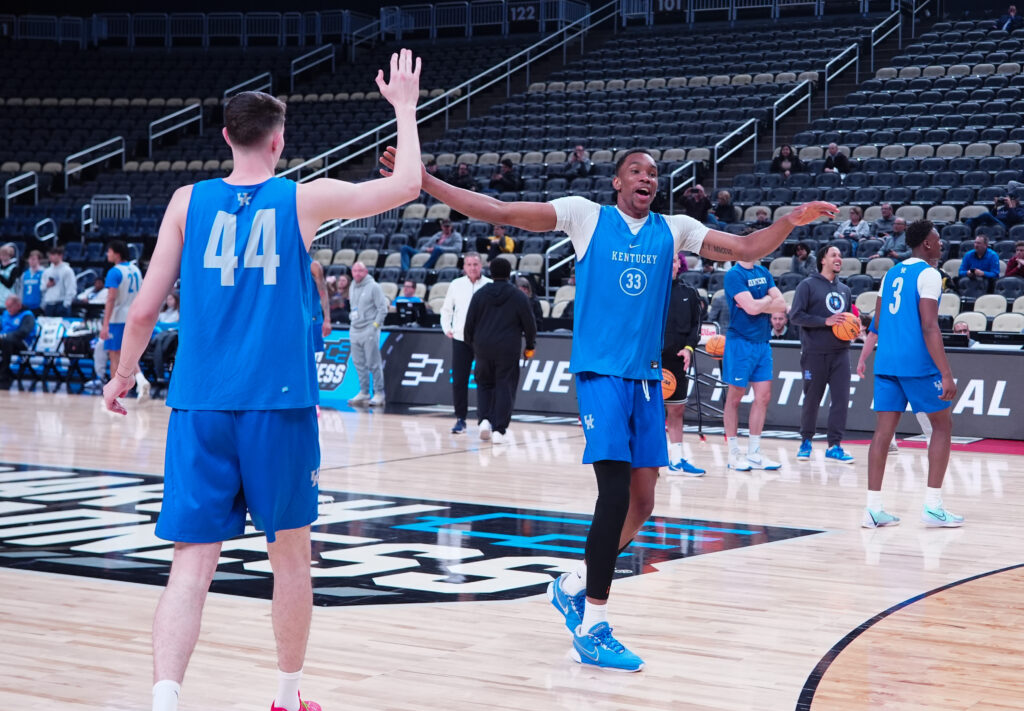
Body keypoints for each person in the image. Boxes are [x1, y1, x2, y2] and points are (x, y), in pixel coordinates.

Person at [101, 51, 423, 711]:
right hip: (275, 406)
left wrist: (121, 375)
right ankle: (285, 705)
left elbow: (145, 307)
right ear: (277, 141)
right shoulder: (299, 199)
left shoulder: (186, 201)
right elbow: (405, 186)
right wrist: (404, 107)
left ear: (224, 136)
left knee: (191, 565)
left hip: (200, 405)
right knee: (291, 557)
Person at [379, 142, 836, 669]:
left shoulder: (676, 228)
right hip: (600, 376)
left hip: (645, 381)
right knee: (614, 495)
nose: (647, 178)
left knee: (643, 504)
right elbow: (501, 211)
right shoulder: (585, 217)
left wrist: (790, 221)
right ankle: (593, 625)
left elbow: (747, 246)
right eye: (636, 171)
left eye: (653, 173)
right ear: (617, 183)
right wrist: (427, 182)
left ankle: (572, 584)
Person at [854, 220, 963, 529]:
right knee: (942, 427)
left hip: (887, 362)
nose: (942, 244)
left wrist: (870, 356)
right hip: (916, 362)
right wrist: (946, 372)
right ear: (926, 244)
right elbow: (930, 325)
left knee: (883, 434)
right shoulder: (929, 274)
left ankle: (873, 509)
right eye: (938, 239)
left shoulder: (890, 273)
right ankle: (933, 507)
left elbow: (876, 322)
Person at [788, 244, 856, 463]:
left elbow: (846, 319)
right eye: (834, 254)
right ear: (822, 260)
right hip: (814, 353)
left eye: (840, 255)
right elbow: (796, 316)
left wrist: (854, 328)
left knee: (841, 400)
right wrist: (824, 322)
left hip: (841, 353)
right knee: (812, 399)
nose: (839, 258)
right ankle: (806, 441)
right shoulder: (806, 285)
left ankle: (835, 445)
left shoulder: (845, 289)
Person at [722, 257, 787, 472]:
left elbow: (782, 305)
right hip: (740, 342)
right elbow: (750, 309)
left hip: (762, 342)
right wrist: (766, 301)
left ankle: (754, 453)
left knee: (764, 396)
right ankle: (733, 454)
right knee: (734, 397)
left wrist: (759, 304)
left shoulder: (763, 272)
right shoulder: (734, 275)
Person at [463, 256, 536, 443]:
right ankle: (499, 430)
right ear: (509, 273)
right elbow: (530, 324)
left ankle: (485, 420)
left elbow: (469, 323)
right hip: (508, 348)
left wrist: (472, 344)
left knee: (484, 384)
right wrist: (529, 346)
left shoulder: (480, 294)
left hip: (483, 346)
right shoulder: (518, 296)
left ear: (490, 272)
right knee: (505, 386)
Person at [662, 252, 705, 476]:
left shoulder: (689, 292)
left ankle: (677, 459)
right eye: (667, 260)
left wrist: (689, 349)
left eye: (674, 260)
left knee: (677, 410)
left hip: (678, 359)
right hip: (651, 360)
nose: (671, 264)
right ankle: (652, 459)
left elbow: (695, 327)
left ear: (680, 264)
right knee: (650, 413)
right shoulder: (648, 290)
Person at [439, 252, 491, 433]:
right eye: (469, 264)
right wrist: (447, 328)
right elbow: (446, 310)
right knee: (459, 380)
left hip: (483, 340)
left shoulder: (489, 285)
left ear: (481, 266)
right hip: (460, 339)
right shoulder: (456, 284)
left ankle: (485, 418)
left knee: (484, 379)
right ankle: (460, 418)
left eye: (475, 264)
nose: (472, 268)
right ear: (464, 267)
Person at [100, 240, 152, 401]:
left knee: (115, 356)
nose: (107, 254)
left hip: (118, 318)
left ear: (116, 253)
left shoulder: (114, 272)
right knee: (128, 355)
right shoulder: (136, 269)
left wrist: (105, 324)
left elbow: (111, 299)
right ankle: (140, 380)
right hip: (134, 316)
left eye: (109, 251)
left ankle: (115, 396)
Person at [346, 261, 388, 407]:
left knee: (373, 363)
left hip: (369, 329)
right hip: (355, 329)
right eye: (354, 271)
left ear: (366, 272)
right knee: (358, 363)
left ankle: (379, 393)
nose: (357, 274)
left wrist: (375, 326)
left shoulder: (374, 287)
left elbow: (383, 309)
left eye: (360, 271)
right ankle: (364, 391)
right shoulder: (352, 286)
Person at [0, 294, 35, 389]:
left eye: (10, 307)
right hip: (4, 341)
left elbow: (24, 332)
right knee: (5, 341)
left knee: (7, 341)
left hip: (22, 343)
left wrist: (5, 336)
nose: (8, 309)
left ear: (18, 305)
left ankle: (4, 373)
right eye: (7, 307)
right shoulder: (5, 314)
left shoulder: (27, 315)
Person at [40, 246, 77, 317]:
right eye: (50, 255)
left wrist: (66, 304)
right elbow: (41, 288)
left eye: (53, 255)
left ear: (60, 256)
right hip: (49, 304)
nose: (51, 257)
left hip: (61, 303)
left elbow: (71, 288)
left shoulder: (67, 270)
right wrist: (47, 285)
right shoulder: (47, 271)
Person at [310, 258, 331, 366]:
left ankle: (311, 383)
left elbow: (323, 292)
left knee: (310, 359)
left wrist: (327, 318)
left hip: (312, 318)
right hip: (293, 319)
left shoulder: (314, 266)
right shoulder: (287, 264)